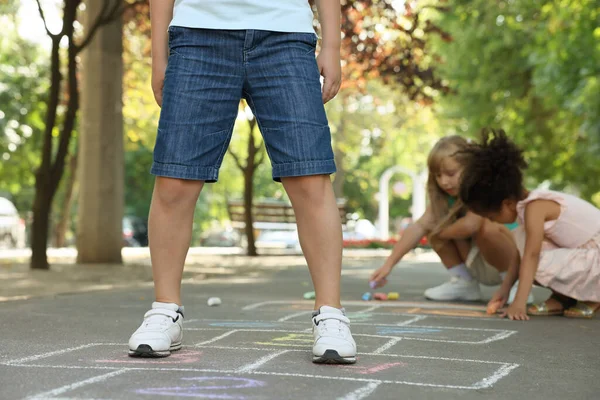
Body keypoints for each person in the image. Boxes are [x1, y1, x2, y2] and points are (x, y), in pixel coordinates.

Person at [128, 0, 356, 364]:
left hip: (285, 36)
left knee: (310, 177)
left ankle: (330, 313)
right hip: (196, 35)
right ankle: (164, 310)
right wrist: (159, 53)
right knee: (175, 179)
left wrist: (331, 44)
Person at [370, 136, 532, 304]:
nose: (443, 181)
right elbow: (418, 227)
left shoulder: (485, 188)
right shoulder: (444, 199)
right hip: (480, 263)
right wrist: (388, 265)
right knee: (434, 227)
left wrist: (438, 232)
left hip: (513, 260)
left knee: (485, 227)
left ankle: (518, 286)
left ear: (470, 167)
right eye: (438, 176)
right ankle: (464, 282)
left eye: (450, 174)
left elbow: (471, 225)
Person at [459, 129, 600, 320]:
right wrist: (504, 291)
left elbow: (531, 256)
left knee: (536, 260)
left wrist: (519, 302)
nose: (492, 222)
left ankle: (593, 295)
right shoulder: (526, 209)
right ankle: (564, 298)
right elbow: (519, 255)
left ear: (507, 203)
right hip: (588, 257)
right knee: (526, 249)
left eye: (492, 217)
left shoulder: (535, 208)